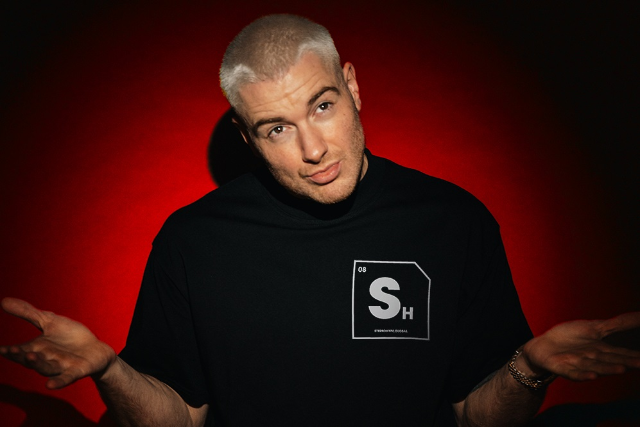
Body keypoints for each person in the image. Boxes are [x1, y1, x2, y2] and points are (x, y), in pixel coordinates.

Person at [1, 14, 639, 427]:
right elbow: (180, 418)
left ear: (352, 86)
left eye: (323, 106)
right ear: (247, 137)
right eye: (276, 128)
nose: (313, 149)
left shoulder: (453, 221)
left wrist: (532, 366)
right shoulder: (193, 240)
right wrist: (109, 371)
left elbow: (474, 416)